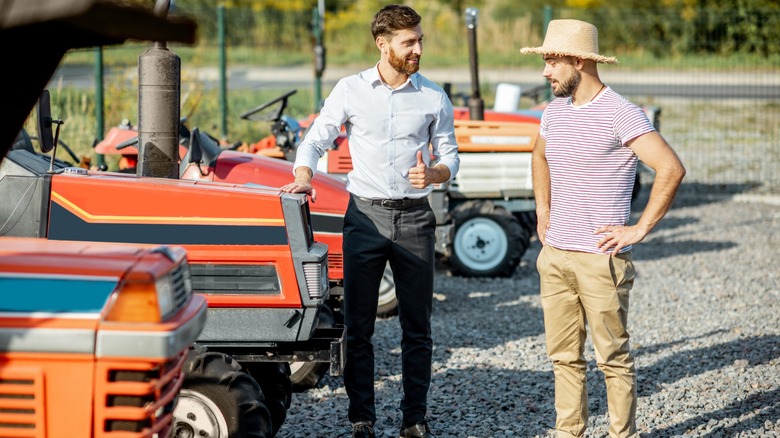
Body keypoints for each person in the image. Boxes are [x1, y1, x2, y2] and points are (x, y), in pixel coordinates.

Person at [280, 5, 459, 438]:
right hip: (364, 217)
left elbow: (451, 156)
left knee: (417, 327)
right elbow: (315, 139)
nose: (418, 49)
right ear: (383, 44)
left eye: (420, 40)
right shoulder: (350, 90)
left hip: (416, 219)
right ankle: (362, 418)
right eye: (408, 42)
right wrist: (303, 177)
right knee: (358, 326)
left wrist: (436, 173)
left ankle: (414, 419)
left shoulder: (433, 96)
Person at [520, 19, 686, 438]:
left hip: (601, 260)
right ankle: (568, 432)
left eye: (552, 61)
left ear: (579, 61)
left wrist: (639, 229)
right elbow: (539, 157)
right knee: (563, 358)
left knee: (612, 358)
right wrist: (543, 208)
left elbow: (670, 168)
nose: (545, 71)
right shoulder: (554, 111)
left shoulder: (621, 113)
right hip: (555, 256)